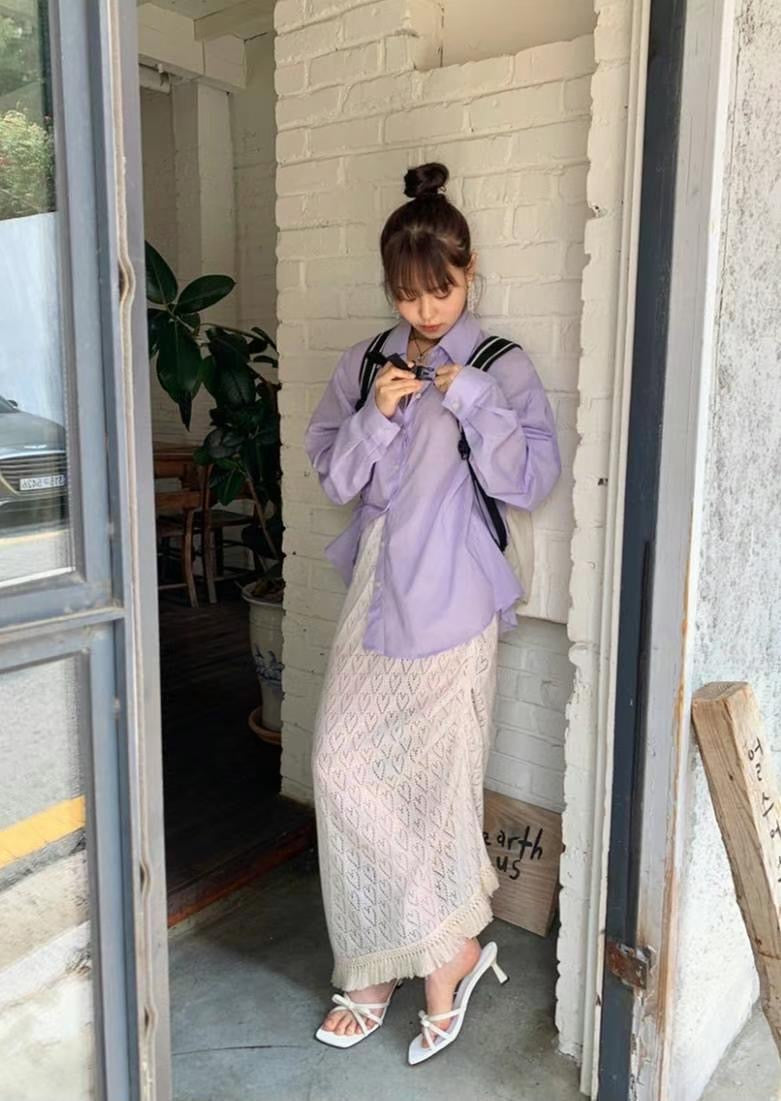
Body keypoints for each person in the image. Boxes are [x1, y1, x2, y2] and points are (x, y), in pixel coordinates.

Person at [303, 161, 562, 1062]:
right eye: (407, 294)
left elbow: (529, 479)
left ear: (468, 271)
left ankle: (418, 966)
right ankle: (422, 949)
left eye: (440, 290)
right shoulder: (364, 363)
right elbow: (333, 476)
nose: (424, 310)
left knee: (439, 787)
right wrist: (373, 416)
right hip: (379, 589)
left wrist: (473, 398)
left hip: (454, 596)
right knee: (340, 765)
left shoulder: (499, 365)